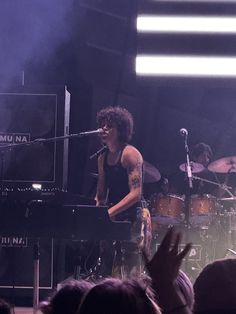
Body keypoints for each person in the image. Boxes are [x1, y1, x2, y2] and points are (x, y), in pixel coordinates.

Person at [95, 106, 152, 276]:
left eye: (109, 126)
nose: (103, 129)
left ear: (120, 129)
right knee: (107, 264)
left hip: (134, 216)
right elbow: (101, 192)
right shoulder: (102, 158)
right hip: (113, 214)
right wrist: (97, 211)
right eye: (102, 124)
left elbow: (136, 194)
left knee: (132, 269)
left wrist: (109, 213)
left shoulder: (130, 154)